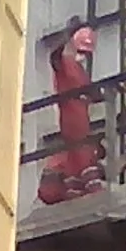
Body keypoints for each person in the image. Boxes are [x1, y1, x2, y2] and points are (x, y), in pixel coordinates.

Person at [36, 21, 103, 205]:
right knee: (82, 149)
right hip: (72, 112)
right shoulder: (64, 63)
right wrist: (68, 40)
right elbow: (55, 58)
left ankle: (76, 190)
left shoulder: (77, 68)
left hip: (82, 112)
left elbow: (91, 91)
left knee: (79, 151)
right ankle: (90, 189)